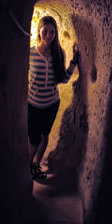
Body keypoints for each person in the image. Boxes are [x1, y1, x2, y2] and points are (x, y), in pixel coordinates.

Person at [28, 16, 79, 179]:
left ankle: (35, 165)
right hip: (33, 104)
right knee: (34, 138)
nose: (49, 35)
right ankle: (28, 166)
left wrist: (74, 62)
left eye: (52, 32)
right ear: (39, 30)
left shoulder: (59, 53)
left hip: (51, 104)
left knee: (44, 135)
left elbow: (63, 79)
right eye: (45, 31)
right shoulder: (30, 52)